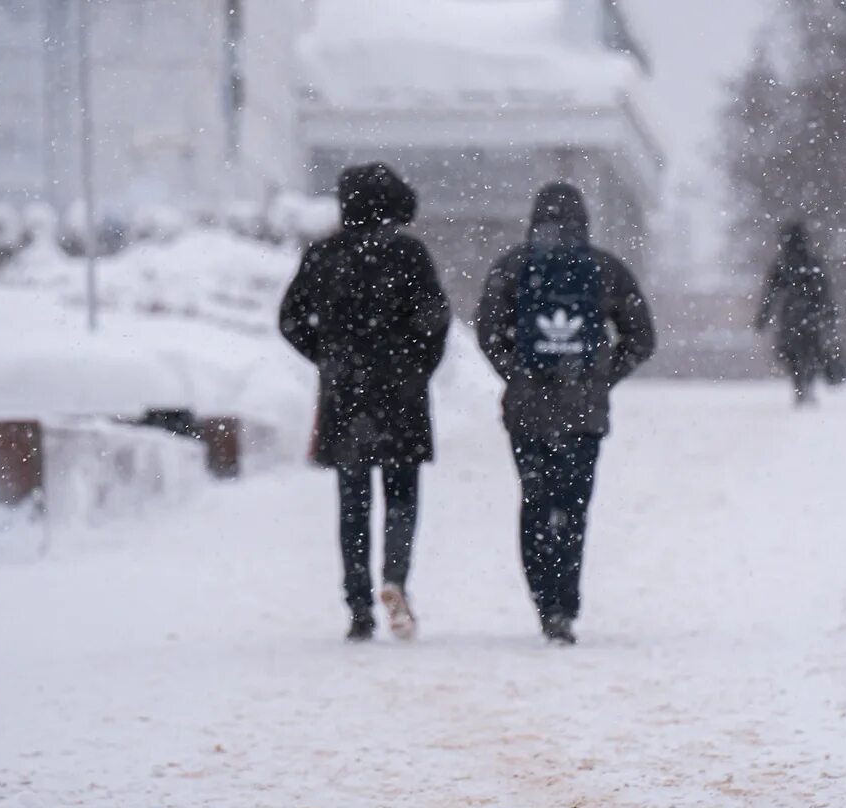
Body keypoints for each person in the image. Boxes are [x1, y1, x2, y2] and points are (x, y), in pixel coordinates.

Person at [476, 182, 655, 645]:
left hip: (527, 411)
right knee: (573, 508)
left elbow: (486, 329)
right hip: (583, 413)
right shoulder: (606, 270)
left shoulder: (512, 267)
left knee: (535, 502)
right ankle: (566, 605)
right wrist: (600, 376)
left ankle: (544, 602)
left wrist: (514, 372)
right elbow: (643, 338)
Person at [280, 163, 450, 642]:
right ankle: (394, 580)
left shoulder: (324, 254)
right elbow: (436, 319)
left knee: (352, 501)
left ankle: (358, 605)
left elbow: (290, 319)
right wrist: (417, 366)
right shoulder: (410, 254)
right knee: (401, 496)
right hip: (401, 393)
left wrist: (328, 358)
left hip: (346, 392)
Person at [755, 221, 844, 405]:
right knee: (811, 352)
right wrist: (829, 312)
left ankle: (800, 387)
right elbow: (824, 290)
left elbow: (770, 294)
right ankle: (807, 385)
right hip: (810, 315)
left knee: (792, 354)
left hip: (790, 315)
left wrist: (763, 317)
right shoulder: (812, 261)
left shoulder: (782, 263)